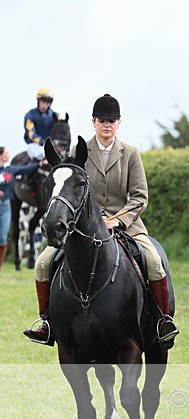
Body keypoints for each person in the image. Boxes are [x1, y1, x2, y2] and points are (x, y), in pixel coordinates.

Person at [24, 94, 179, 349]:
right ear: (93, 121)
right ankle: (47, 322)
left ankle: (162, 320)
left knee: (153, 260)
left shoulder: (130, 154)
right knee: (43, 263)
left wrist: (118, 221)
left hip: (126, 225)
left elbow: (140, 197)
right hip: (82, 227)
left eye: (112, 120)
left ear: (119, 123)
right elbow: (67, 189)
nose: (107, 124)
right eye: (102, 120)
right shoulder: (79, 151)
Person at [0, 146, 42, 269]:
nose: (8, 155)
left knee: (2, 237)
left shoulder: (10, 170)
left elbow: (25, 168)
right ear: (1, 156)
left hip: (6, 205)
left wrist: (39, 164)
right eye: (6, 153)